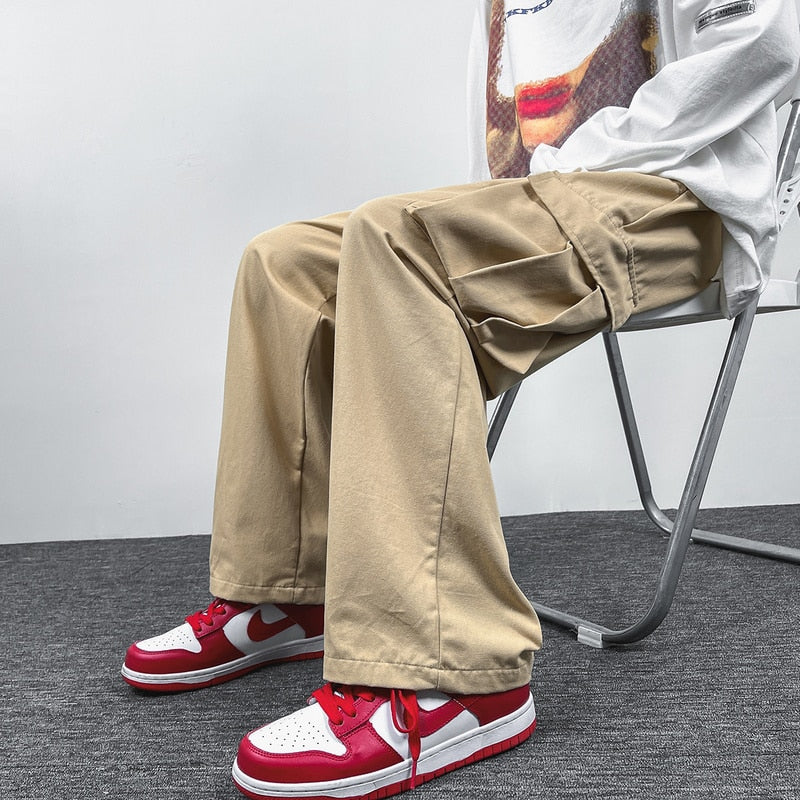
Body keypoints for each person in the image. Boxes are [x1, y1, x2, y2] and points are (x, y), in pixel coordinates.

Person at [122, 2, 799, 799]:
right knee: (285, 264)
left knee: (397, 244)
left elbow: (767, 43)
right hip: (555, 194)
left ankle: (457, 674)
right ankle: (291, 592)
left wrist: (574, 166)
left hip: (678, 195)